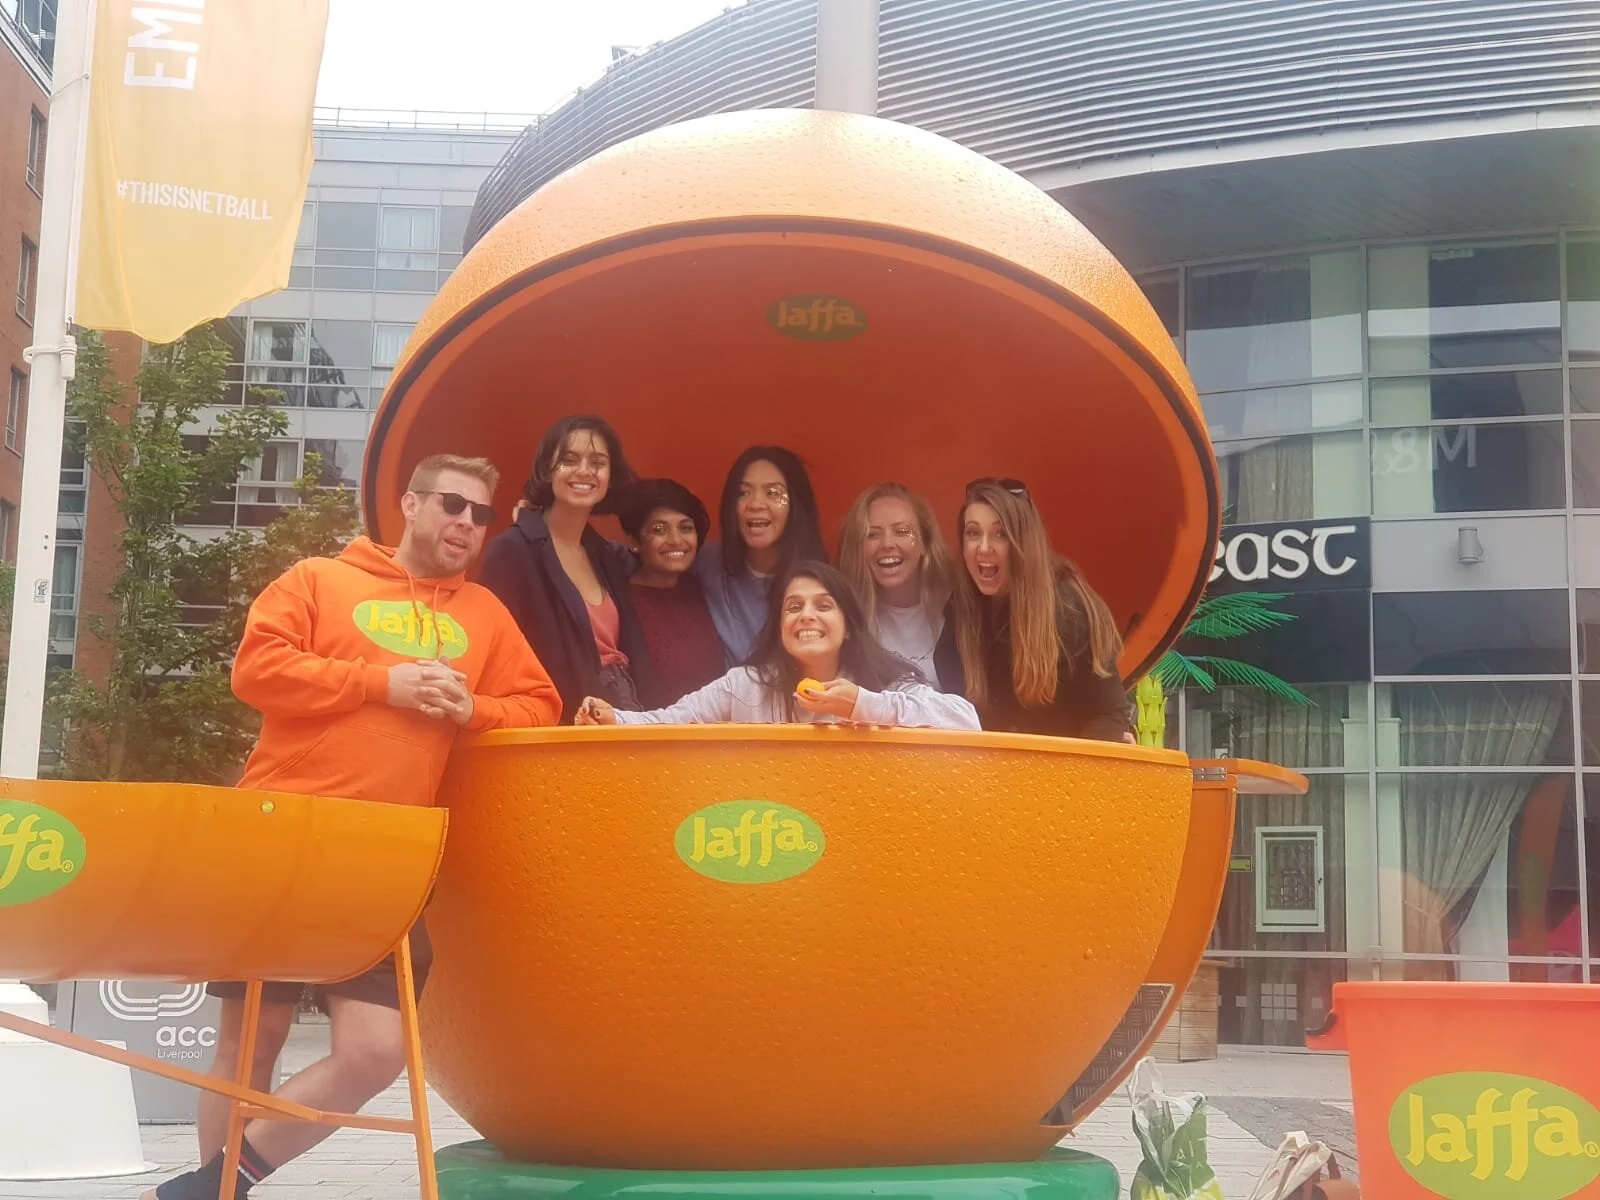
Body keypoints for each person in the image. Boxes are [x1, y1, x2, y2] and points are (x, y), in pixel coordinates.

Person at [146, 454, 561, 1200]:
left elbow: (539, 703)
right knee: (249, 1049)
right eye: (451, 505)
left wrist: (474, 710)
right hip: (280, 834)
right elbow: (258, 671)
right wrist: (383, 682)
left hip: (387, 857)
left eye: (480, 514)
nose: (466, 523)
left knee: (374, 1053)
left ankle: (205, 1189)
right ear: (410, 503)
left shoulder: (484, 616)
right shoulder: (315, 579)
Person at [576, 561, 979, 730]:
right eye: (793, 607)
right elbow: (670, 723)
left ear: (849, 627)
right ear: (781, 627)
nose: (806, 616)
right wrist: (615, 720)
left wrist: (860, 704)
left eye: (824, 606)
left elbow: (966, 721)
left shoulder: (881, 682)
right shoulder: (746, 685)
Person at [478, 415, 655, 718]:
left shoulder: (610, 558)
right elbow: (491, 654)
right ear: (548, 468)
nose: (584, 471)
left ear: (610, 476)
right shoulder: (513, 552)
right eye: (569, 460)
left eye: (597, 462)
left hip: (623, 716)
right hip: (557, 726)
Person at [950, 478, 1132, 741]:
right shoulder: (959, 609)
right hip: (984, 774)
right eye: (973, 533)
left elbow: (1110, 715)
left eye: (1000, 534)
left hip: (1059, 773)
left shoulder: (1070, 609)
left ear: (1023, 543)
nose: (984, 547)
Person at [694, 445, 827, 662]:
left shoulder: (821, 585)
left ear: (796, 504)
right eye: (743, 493)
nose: (755, 504)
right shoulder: (705, 562)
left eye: (773, 493)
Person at [837, 482, 963, 692]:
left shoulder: (959, 613)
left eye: (902, 531)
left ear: (924, 543)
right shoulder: (845, 621)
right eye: (872, 534)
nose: (887, 544)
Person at [618, 478, 727, 707]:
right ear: (634, 542)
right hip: (654, 735)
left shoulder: (699, 588)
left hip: (713, 734)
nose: (676, 540)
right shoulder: (620, 603)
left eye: (686, 528)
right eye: (659, 530)